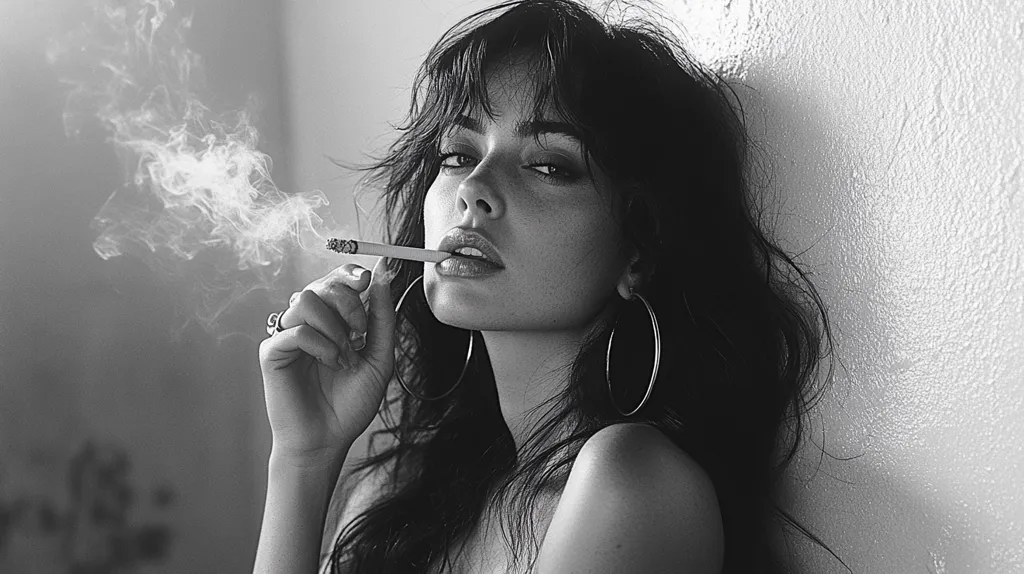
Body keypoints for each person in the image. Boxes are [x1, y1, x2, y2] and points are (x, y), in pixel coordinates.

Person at [253, 1, 848, 572]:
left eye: (550, 166)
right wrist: (305, 457)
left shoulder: (629, 480)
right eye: (458, 154)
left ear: (637, 254)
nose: (474, 189)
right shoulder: (406, 488)